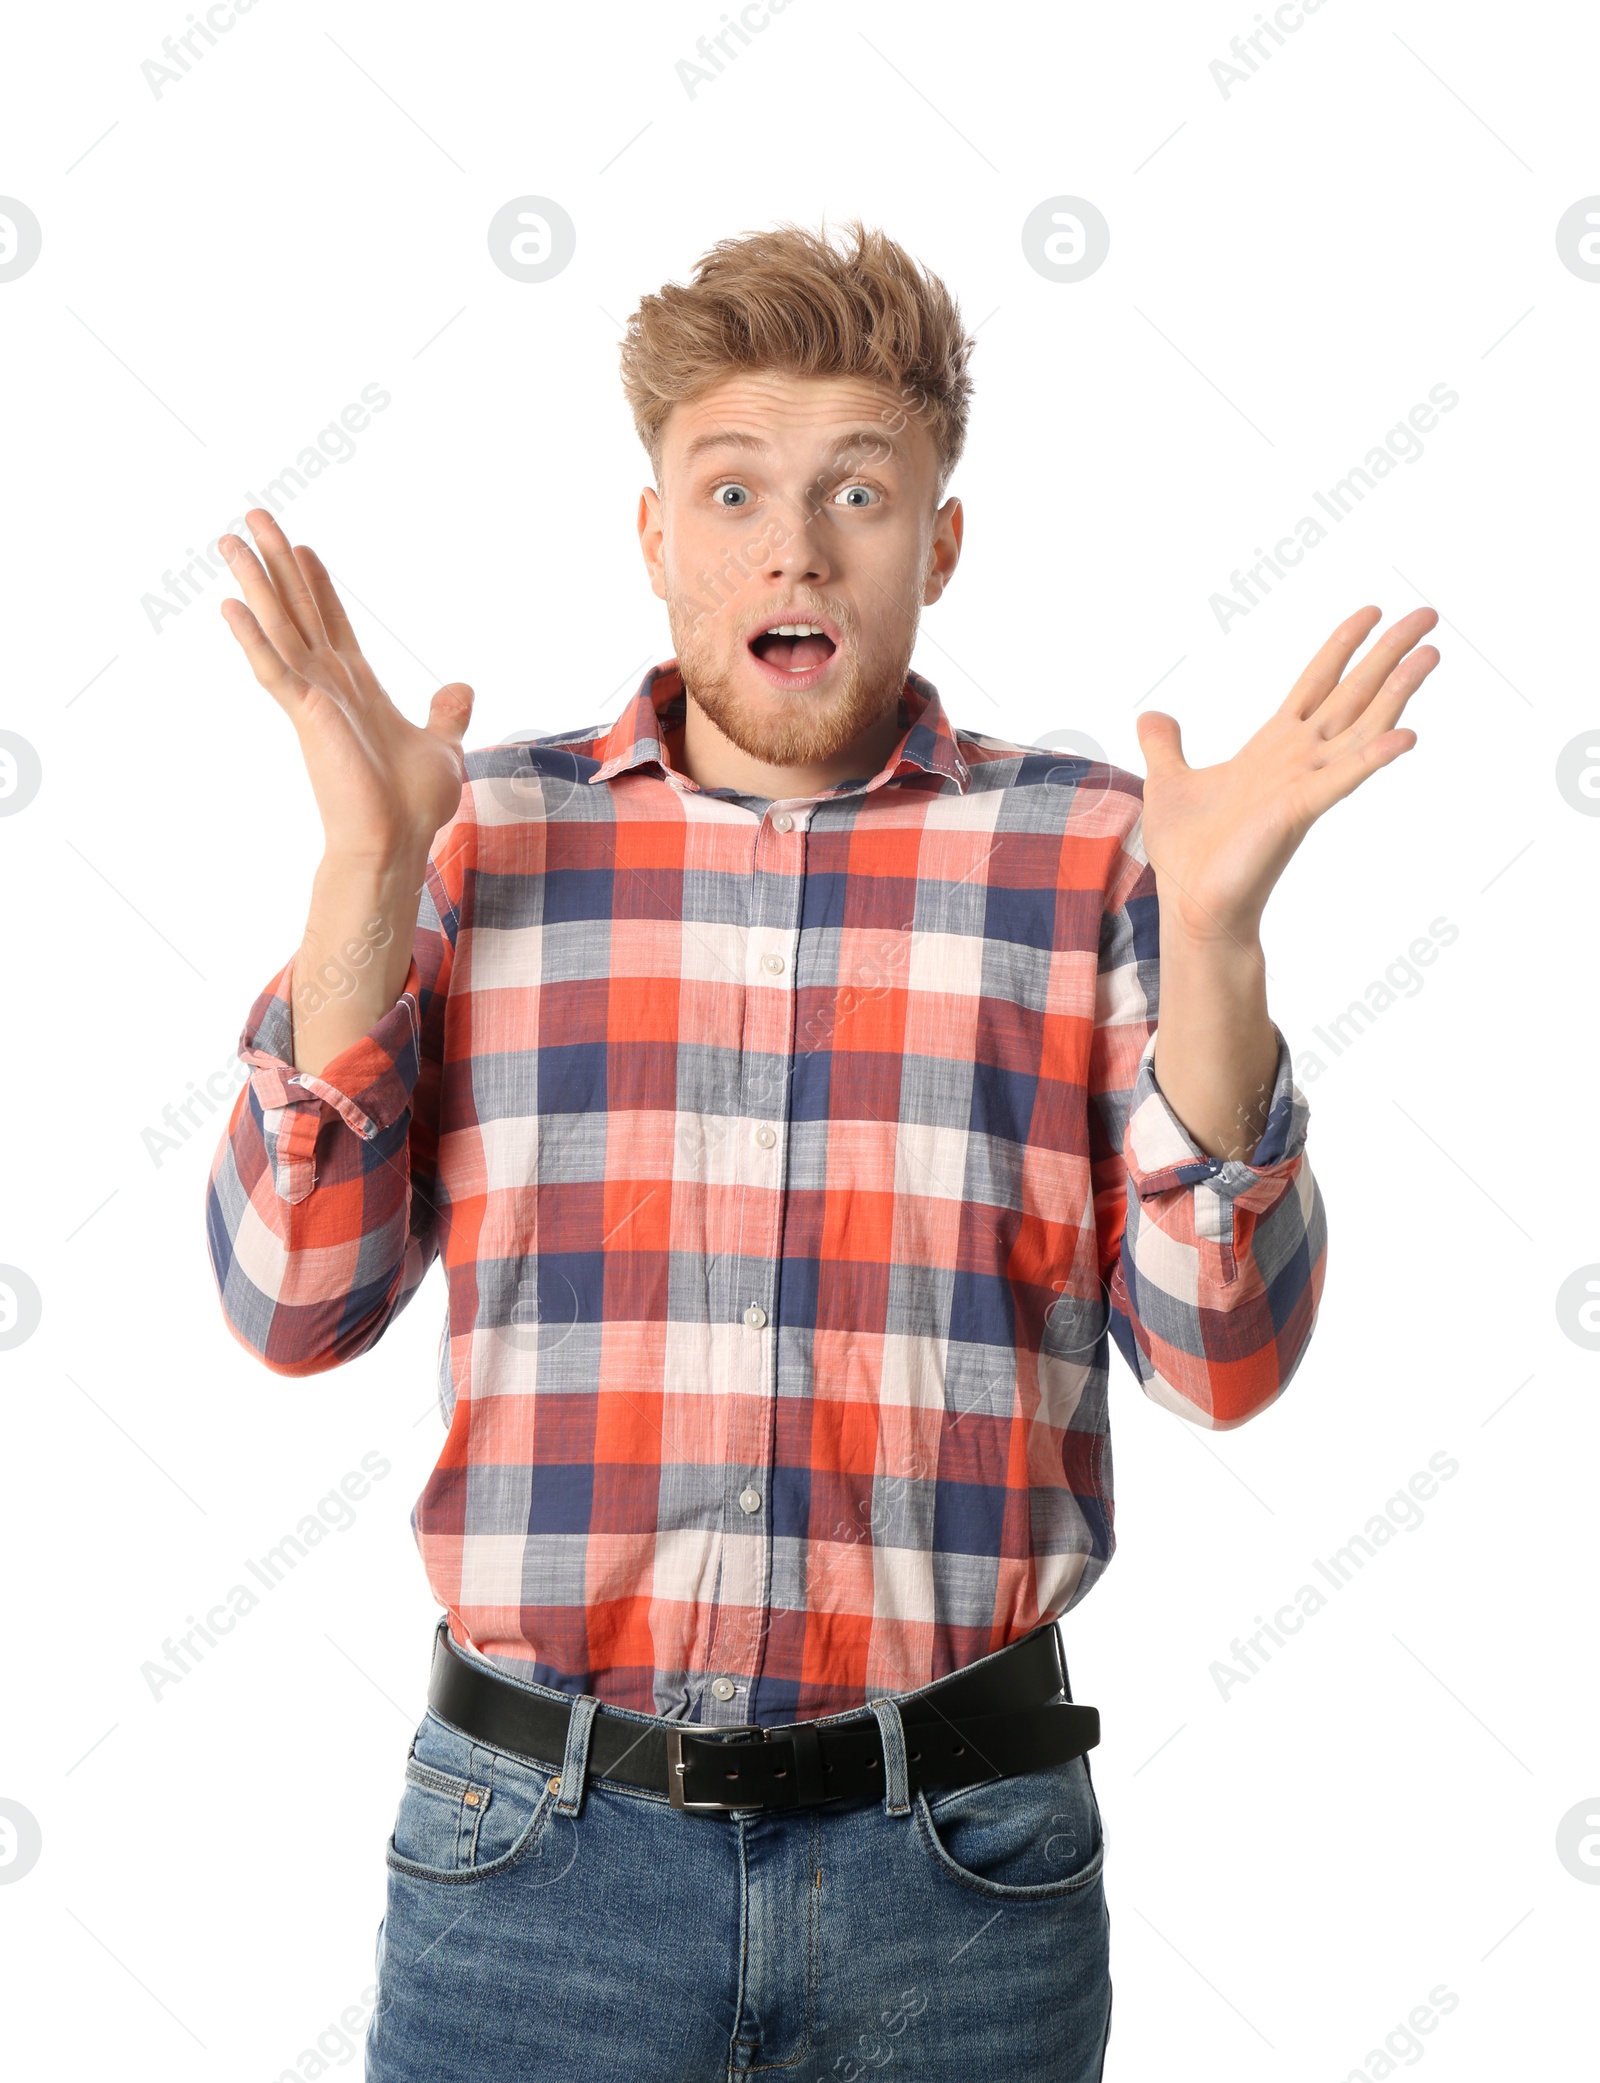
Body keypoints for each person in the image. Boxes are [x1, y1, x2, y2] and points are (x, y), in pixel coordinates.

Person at [205, 221, 1436, 2081]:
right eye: (735, 490)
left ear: (938, 544)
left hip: (957, 1868)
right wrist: (365, 874)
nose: (795, 545)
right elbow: (289, 1307)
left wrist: (1222, 945)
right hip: (533, 1862)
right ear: (654, 537)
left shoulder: (1101, 856)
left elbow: (1226, 1362)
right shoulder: (471, 832)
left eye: (861, 491)